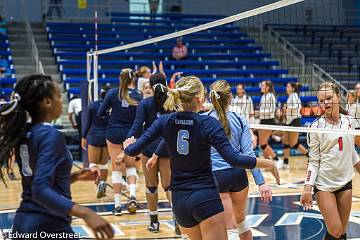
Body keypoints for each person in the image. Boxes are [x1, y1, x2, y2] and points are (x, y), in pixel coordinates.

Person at [124, 76, 280, 240]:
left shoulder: (165, 121)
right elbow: (234, 159)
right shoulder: (208, 123)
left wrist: (128, 146)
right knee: (237, 224)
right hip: (205, 197)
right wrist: (268, 163)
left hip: (180, 201)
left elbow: (133, 150)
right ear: (200, 99)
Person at [0, 75, 113, 239]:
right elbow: (40, 189)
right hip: (49, 224)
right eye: (58, 95)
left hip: (24, 223)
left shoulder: (25, 132)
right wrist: (86, 213)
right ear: (47, 102)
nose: (61, 100)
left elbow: (37, 180)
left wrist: (73, 177)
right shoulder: (51, 135)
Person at [208, 80, 275, 240]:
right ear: (230, 98)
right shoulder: (240, 119)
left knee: (229, 227)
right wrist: (261, 182)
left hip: (217, 177)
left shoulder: (205, 120)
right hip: (239, 176)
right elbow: (248, 155)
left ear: (211, 98)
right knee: (241, 222)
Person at [300, 82, 360, 240]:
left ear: (338, 97)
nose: (325, 103)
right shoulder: (315, 127)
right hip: (324, 185)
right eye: (321, 100)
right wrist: (307, 188)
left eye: (328, 98)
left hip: (345, 182)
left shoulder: (350, 122)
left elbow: (351, 152)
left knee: (342, 232)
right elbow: (313, 161)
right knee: (335, 230)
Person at [126, 73, 179, 234]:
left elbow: (136, 128)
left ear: (150, 84)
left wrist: (126, 144)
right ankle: (177, 221)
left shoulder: (145, 103)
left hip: (149, 149)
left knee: (151, 187)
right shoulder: (173, 103)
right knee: (169, 186)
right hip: (167, 149)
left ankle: (154, 222)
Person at [97, 68, 142, 215]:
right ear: (133, 80)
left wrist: (110, 113)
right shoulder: (138, 95)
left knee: (116, 168)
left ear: (119, 78)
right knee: (130, 166)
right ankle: (133, 196)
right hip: (130, 134)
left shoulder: (111, 93)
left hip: (114, 133)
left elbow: (100, 113)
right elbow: (140, 120)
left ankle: (117, 206)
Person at [82, 86, 110, 199]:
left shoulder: (93, 105)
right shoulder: (112, 107)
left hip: (94, 137)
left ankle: (99, 184)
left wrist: (83, 136)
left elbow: (87, 123)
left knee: (93, 165)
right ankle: (102, 184)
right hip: (108, 137)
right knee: (104, 165)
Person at [282, 82, 308, 169]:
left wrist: (286, 109)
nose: (286, 87)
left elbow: (296, 109)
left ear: (292, 88)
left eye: (288, 86)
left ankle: (310, 157)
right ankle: (285, 163)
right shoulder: (291, 96)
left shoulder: (294, 96)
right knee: (285, 141)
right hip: (289, 121)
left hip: (294, 121)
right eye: (287, 86)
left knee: (293, 143)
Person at [257, 80, 282, 168]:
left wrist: (259, 112)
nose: (261, 86)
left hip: (268, 121)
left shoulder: (271, 96)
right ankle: (266, 164)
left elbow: (271, 111)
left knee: (263, 144)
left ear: (267, 87)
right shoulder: (263, 96)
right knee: (261, 144)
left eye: (263, 85)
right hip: (262, 121)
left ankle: (277, 159)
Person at [68, 95, 82, 159]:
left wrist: (73, 124)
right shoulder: (82, 100)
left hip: (81, 115)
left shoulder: (72, 102)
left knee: (81, 137)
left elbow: (70, 116)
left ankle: (81, 156)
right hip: (87, 114)